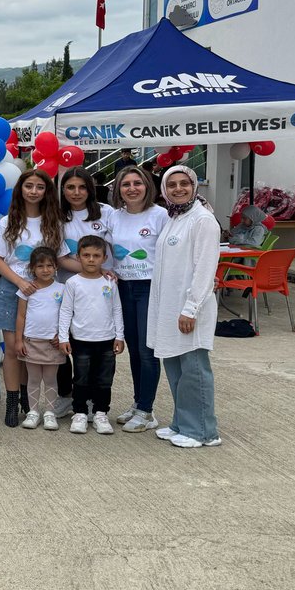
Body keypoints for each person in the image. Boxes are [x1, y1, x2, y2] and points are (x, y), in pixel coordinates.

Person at [0, 169, 72, 427]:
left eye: (39, 187)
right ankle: (13, 403)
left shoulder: (53, 222)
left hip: (45, 295)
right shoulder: (7, 221)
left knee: (35, 351)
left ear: (46, 191)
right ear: (20, 190)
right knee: (14, 349)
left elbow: (61, 258)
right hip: (11, 290)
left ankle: (30, 401)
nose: (34, 191)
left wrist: (98, 270)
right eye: (29, 186)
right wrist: (20, 282)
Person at [148, 166, 222, 449]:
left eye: (184, 184)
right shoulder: (175, 217)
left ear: (194, 187)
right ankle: (182, 422)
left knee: (194, 370)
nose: (179, 189)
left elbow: (205, 268)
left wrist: (191, 308)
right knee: (176, 367)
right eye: (172, 185)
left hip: (190, 309)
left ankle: (203, 431)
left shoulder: (203, 220)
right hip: (170, 308)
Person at [109, 165, 169, 432]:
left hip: (149, 288)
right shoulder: (114, 217)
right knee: (133, 349)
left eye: (137, 183)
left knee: (147, 351)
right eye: (126, 184)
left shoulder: (161, 216)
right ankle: (138, 402)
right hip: (123, 288)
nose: (132, 188)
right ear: (119, 190)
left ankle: (146, 410)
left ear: (147, 186)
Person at [60, 236, 125, 435]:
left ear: (104, 258)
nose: (91, 259)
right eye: (86, 255)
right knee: (81, 378)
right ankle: (79, 412)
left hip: (106, 339)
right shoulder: (72, 283)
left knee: (104, 379)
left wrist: (119, 336)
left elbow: (116, 309)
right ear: (78, 257)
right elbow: (65, 311)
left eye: (96, 256)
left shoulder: (110, 282)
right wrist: (63, 337)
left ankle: (100, 412)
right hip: (80, 340)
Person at [15, 247, 66, 431]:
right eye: (40, 266)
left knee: (51, 379)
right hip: (31, 342)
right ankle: (33, 412)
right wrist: (19, 340)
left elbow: (66, 315)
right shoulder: (27, 290)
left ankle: (50, 413)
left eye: (49, 265)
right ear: (32, 268)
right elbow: (21, 316)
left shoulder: (62, 289)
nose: (45, 270)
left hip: (53, 343)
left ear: (56, 267)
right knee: (34, 379)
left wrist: (62, 336)